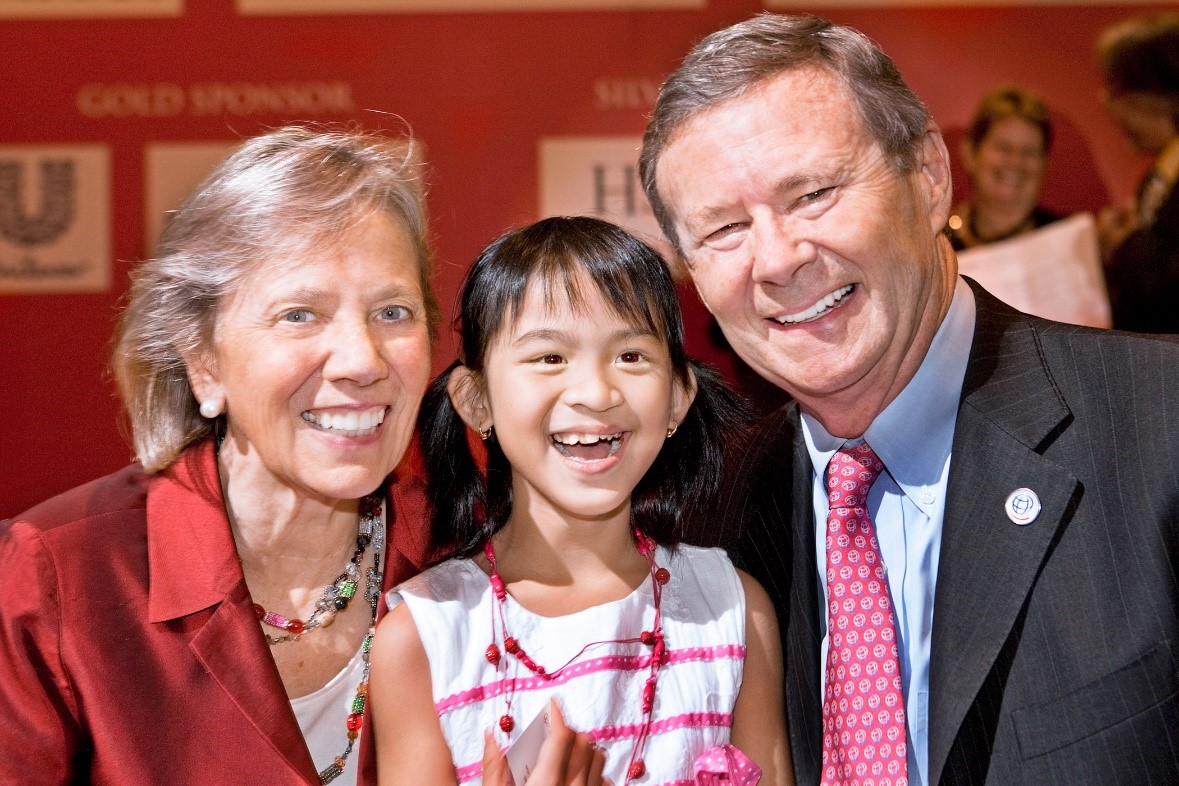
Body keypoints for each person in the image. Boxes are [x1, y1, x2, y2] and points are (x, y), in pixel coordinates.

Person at [639, 12, 1179, 786]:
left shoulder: (1158, 424)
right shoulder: (702, 526)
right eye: (722, 230)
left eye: (812, 193)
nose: (777, 260)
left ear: (927, 176)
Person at [0, 127, 441, 785]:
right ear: (203, 359)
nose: (361, 360)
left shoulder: (470, 546)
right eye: (300, 314)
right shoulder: (57, 579)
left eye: (393, 312)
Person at [370, 216, 791, 784]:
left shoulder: (732, 610)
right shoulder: (424, 636)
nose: (595, 392)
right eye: (549, 358)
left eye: (631, 356)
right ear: (476, 400)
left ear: (677, 398)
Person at [1096, 12, 1179, 333]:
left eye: (1115, 93)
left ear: (1154, 98)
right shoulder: (1161, 174)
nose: (1107, 106)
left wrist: (1125, 242)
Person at [947, 85, 1063, 250]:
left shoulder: (1072, 242)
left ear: (1045, 162)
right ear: (970, 153)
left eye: (1029, 152)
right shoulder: (935, 246)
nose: (1015, 162)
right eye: (1004, 148)